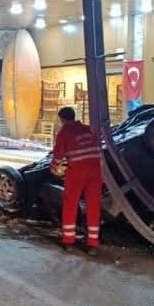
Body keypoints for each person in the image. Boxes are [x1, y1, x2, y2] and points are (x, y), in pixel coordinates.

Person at [50, 107, 103, 255]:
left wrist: (54, 169)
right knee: (93, 206)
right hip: (96, 169)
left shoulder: (64, 132)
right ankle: (93, 244)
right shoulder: (88, 129)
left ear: (62, 119)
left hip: (77, 171)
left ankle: (68, 241)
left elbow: (58, 155)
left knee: (70, 204)